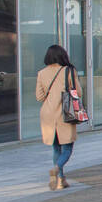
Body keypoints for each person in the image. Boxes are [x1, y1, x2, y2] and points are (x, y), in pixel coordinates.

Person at [36, 45, 82, 191]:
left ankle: (60, 181)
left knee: (56, 148)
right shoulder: (68, 70)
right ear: (63, 55)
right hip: (65, 113)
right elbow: (78, 92)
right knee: (67, 148)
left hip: (47, 114)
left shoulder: (41, 73)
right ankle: (57, 168)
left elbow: (39, 96)